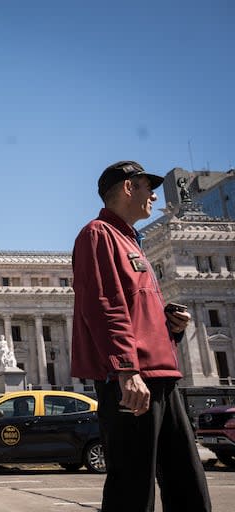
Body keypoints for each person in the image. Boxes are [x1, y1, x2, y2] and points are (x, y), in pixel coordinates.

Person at [71, 161, 211, 512]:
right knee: (132, 485)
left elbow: (134, 310)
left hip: (162, 375)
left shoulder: (132, 241)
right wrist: (126, 369)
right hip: (134, 379)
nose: (154, 195)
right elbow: (105, 305)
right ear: (128, 188)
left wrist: (169, 328)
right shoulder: (98, 234)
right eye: (148, 186)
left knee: (186, 478)